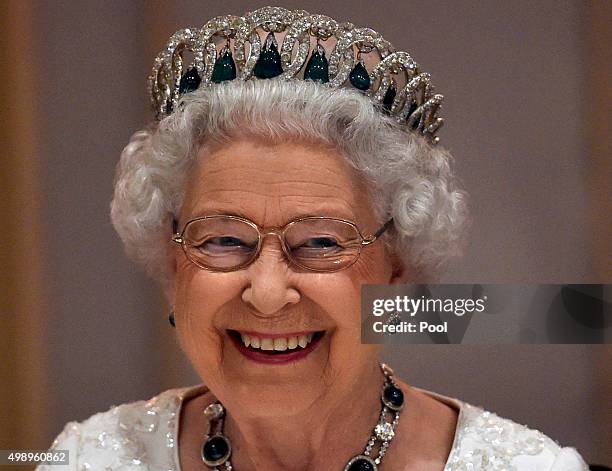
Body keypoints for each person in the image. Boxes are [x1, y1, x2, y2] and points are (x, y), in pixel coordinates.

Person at [38, 6, 589, 471]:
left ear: (396, 263)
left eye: (322, 243)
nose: (268, 293)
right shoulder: (89, 456)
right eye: (224, 240)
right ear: (171, 256)